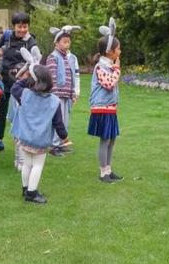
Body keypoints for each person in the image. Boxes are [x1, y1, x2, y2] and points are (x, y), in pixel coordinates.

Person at [11, 47, 69, 204]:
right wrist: (64, 137)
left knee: (26, 164)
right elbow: (58, 124)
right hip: (40, 141)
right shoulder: (54, 101)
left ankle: (25, 188)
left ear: (32, 80)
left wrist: (28, 76)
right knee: (37, 165)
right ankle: (32, 193)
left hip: (24, 138)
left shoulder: (24, 95)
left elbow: (15, 87)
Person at [0, 12, 37, 154]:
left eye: (25, 26)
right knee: (2, 110)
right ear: (14, 26)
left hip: (21, 82)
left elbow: (35, 61)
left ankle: (22, 141)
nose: (22, 30)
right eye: (19, 26)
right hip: (4, 79)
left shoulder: (31, 41)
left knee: (21, 112)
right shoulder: (6, 36)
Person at [88, 18, 124, 184]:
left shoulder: (109, 65)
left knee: (112, 140)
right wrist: (117, 69)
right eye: (118, 49)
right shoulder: (101, 67)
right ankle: (103, 174)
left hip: (110, 108)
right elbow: (109, 84)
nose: (120, 51)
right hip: (101, 109)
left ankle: (108, 170)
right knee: (105, 140)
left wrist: (115, 68)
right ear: (110, 51)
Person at [45, 25, 81, 156]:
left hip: (66, 94)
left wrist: (72, 93)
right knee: (57, 120)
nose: (67, 45)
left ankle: (60, 143)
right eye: (64, 42)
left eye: (68, 42)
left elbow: (71, 77)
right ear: (56, 43)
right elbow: (51, 76)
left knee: (65, 120)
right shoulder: (53, 57)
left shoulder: (67, 58)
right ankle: (53, 146)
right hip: (57, 95)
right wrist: (53, 93)